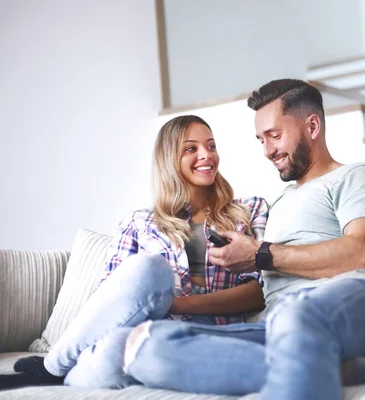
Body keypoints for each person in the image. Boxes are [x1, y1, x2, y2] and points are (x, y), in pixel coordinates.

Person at [116, 79, 365, 399]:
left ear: (312, 126)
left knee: (297, 315)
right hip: (279, 321)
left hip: (356, 302)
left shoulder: (355, 176)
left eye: (275, 135)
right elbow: (266, 287)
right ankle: (359, 369)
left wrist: (261, 254)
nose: (268, 151)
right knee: (148, 346)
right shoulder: (279, 202)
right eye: (261, 140)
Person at [0, 115, 268, 390]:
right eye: (191, 148)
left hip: (199, 339)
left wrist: (176, 304)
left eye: (211, 146)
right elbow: (111, 299)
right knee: (148, 274)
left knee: (121, 348)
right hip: (138, 336)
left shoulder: (249, 210)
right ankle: (54, 367)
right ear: (168, 159)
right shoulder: (139, 222)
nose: (206, 155)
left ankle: (51, 370)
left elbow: (259, 291)